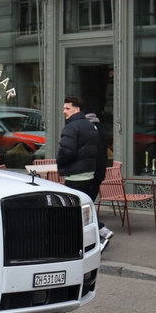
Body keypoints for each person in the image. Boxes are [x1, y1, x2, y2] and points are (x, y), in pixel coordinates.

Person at [56, 97, 112, 251]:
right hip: (89, 175)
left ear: (77, 109)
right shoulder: (91, 127)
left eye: (67, 109)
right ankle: (99, 234)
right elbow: (98, 152)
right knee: (82, 210)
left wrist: (60, 163)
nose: (64, 112)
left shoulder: (71, 127)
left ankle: (97, 240)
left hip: (75, 176)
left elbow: (66, 152)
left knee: (75, 213)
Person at [85, 112, 114, 250]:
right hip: (99, 173)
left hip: (89, 174)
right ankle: (101, 232)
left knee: (83, 209)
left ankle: (101, 232)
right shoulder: (102, 133)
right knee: (86, 207)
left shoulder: (90, 133)